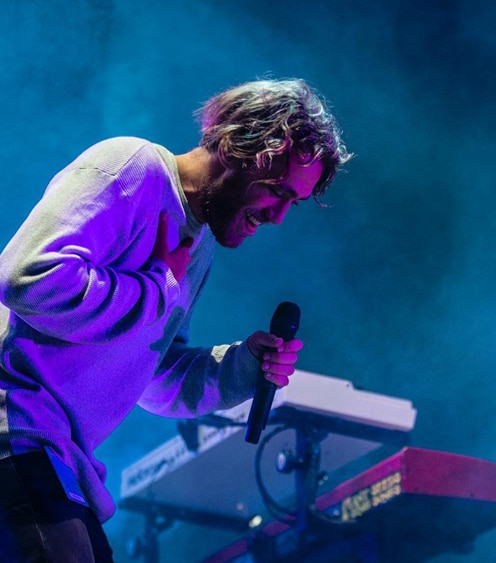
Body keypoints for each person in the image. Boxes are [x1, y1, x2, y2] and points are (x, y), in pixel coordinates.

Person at [0, 78, 351, 562]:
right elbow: (26, 278)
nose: (279, 218)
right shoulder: (132, 167)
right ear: (236, 148)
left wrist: (242, 366)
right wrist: (157, 284)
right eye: (276, 191)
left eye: (294, 202)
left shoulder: (199, 242)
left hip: (57, 459)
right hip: (15, 432)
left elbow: (154, 378)